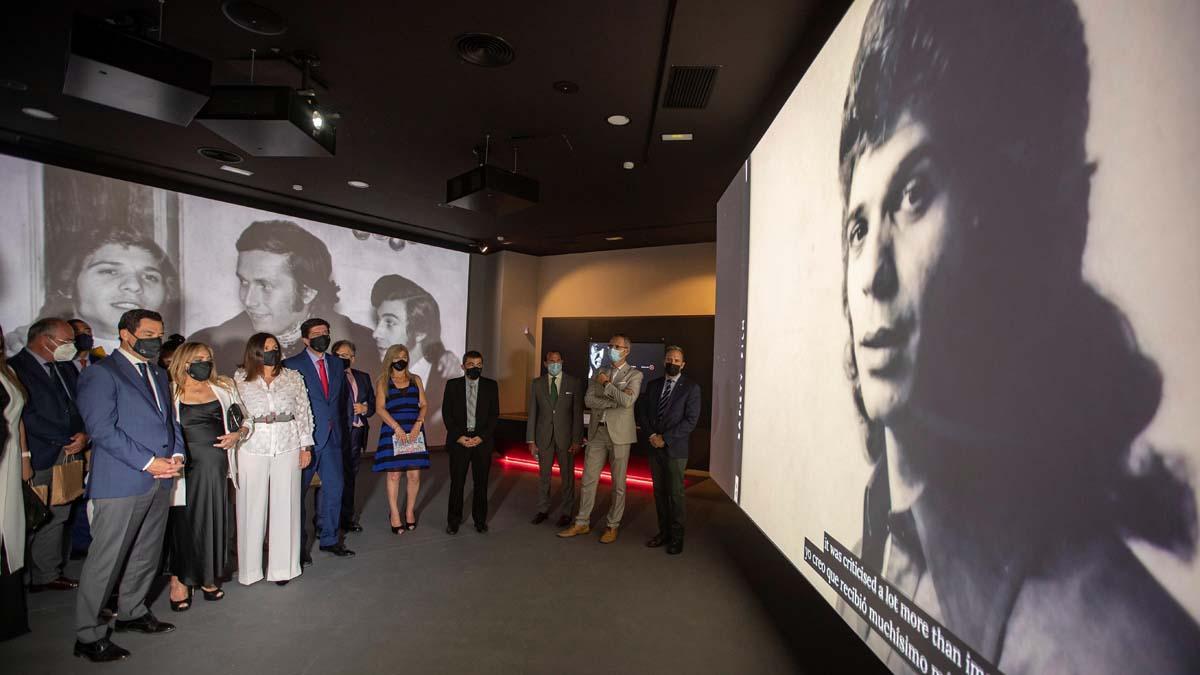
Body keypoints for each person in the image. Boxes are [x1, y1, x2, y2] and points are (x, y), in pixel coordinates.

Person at [834, 2, 1200, 672]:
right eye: (858, 225)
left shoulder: (1129, 654)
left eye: (915, 194)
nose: (872, 275)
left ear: (1041, 222)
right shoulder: (883, 548)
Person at [73, 308, 184, 662]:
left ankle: (133, 612)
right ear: (125, 334)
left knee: (146, 552)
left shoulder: (157, 372)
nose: (156, 339)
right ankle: (88, 635)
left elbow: (170, 421)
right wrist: (150, 462)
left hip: (162, 478)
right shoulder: (102, 375)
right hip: (122, 481)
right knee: (106, 560)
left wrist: (177, 454)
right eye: (148, 333)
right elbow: (102, 430)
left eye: (159, 333)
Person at [190, 220, 378, 376]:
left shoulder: (363, 342)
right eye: (244, 282)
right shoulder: (212, 345)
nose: (248, 300)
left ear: (307, 292)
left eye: (265, 285)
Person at [163, 342, 250, 610]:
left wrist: (238, 434)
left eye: (209, 358)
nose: (206, 362)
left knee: (214, 521)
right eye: (199, 358)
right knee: (184, 524)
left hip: (216, 468)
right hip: (184, 470)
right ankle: (180, 579)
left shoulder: (223, 387)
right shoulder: (170, 391)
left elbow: (246, 420)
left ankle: (208, 577)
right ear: (184, 362)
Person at [5, 230, 179, 358]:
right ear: (69, 282)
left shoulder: (172, 358)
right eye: (110, 271)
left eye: (150, 276)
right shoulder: (23, 352)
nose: (134, 285)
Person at [8, 318, 86, 591]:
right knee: (32, 515)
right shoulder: (16, 368)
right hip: (38, 454)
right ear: (46, 340)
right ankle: (19, 576)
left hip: (69, 452)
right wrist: (63, 438)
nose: (72, 346)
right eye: (66, 342)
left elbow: (80, 403)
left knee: (59, 513)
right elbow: (25, 416)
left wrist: (83, 434)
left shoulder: (65, 367)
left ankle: (48, 573)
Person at [234, 333, 313, 587]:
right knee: (250, 505)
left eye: (275, 348)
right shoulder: (239, 379)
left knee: (286, 504)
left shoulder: (293, 377)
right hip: (251, 447)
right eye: (266, 348)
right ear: (254, 351)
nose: (272, 352)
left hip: (287, 444)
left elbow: (303, 412)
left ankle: (283, 567)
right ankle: (249, 570)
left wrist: (305, 446)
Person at [559, 334, 642, 544]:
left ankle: (612, 526)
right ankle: (582, 522)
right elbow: (588, 399)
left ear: (627, 351)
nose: (612, 348)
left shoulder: (634, 374)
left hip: (621, 435)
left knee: (618, 484)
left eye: (617, 346)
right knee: (588, 479)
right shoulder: (599, 371)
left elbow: (628, 400)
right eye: (610, 345)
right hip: (597, 432)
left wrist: (606, 387)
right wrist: (613, 400)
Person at [283, 318, 354, 561]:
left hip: (334, 438)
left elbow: (342, 399)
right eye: (317, 333)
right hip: (305, 441)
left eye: (326, 332)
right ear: (305, 339)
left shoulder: (336, 364)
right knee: (298, 494)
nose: (323, 336)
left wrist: (345, 428)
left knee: (335, 490)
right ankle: (298, 547)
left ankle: (330, 538)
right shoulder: (291, 365)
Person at [370, 274, 461, 444]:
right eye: (378, 321)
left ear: (420, 331)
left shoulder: (448, 382)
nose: (376, 333)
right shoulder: (374, 371)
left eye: (389, 323)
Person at [636, 346, 700, 555]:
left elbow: (690, 420)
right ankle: (663, 533)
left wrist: (666, 438)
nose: (672, 362)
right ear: (664, 362)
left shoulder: (691, 388)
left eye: (676, 359)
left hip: (675, 449)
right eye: (669, 359)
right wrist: (652, 436)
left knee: (675, 494)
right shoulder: (653, 385)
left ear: (683, 364)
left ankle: (677, 538)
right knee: (659, 493)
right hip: (655, 447)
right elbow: (643, 414)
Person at [372, 344, 429, 533]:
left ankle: (410, 511)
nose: (400, 360)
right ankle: (395, 514)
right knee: (394, 474)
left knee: (414, 475)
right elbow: (380, 408)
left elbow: (424, 404)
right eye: (396, 357)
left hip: (414, 430)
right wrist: (396, 427)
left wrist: (418, 424)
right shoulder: (383, 381)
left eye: (403, 356)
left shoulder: (416, 379)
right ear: (390, 359)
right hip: (392, 430)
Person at [442, 351, 498, 534]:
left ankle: (480, 521)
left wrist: (481, 437)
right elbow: (447, 414)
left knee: (481, 484)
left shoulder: (491, 386)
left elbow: (494, 415)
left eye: (479, 364)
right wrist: (459, 437)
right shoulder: (452, 385)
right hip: (459, 441)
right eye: (471, 364)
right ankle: (453, 521)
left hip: (482, 441)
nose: (475, 367)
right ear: (463, 366)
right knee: (457, 483)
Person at [525, 350, 583, 527]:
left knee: (567, 477)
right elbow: (533, 413)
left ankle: (567, 512)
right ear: (545, 363)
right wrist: (531, 440)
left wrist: (576, 440)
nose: (555, 364)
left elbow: (577, 414)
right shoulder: (537, 384)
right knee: (544, 476)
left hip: (566, 438)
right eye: (551, 361)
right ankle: (543, 509)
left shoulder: (573, 383)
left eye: (558, 361)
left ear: (562, 362)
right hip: (543, 438)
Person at [0, 325, 32, 641]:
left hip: (9, 459)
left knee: (9, 534)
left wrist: (24, 456)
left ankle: (10, 617)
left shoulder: (6, 371)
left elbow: (17, 417)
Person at [333, 340, 374, 533]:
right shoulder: (330, 377)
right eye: (339, 355)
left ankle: (347, 519)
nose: (343, 358)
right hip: (338, 434)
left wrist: (366, 408)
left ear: (353, 358)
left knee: (351, 478)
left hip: (357, 433)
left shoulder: (363, 377)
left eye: (347, 355)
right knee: (332, 478)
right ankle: (325, 521)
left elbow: (373, 405)